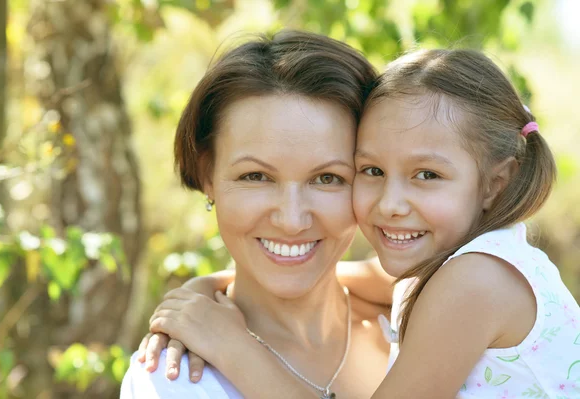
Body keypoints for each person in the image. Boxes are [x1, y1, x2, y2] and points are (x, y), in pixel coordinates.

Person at [146, 48, 580, 399]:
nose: (391, 204)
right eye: (372, 170)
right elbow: (353, 277)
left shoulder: (474, 282)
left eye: (427, 175)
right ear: (208, 177)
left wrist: (232, 345)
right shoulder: (447, 272)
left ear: (494, 184)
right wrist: (199, 292)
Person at [121, 29, 395, 399]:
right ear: (208, 177)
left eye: (327, 178)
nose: (292, 220)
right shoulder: (173, 379)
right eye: (256, 176)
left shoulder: (429, 322)